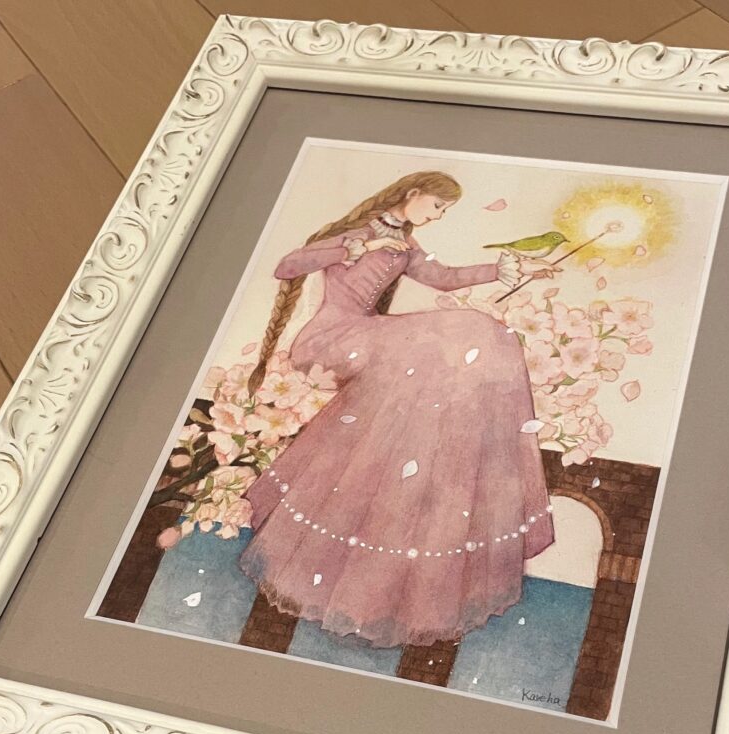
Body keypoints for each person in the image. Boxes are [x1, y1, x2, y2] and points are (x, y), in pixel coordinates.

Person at [238, 170, 558, 648]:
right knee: (449, 337)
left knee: (482, 335)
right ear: (412, 194)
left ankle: (417, 465)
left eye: (445, 211)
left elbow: (444, 278)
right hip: (332, 338)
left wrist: (504, 269)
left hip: (371, 340)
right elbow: (288, 265)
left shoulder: (405, 245)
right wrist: (355, 248)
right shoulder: (358, 233)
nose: (438, 216)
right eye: (437, 206)